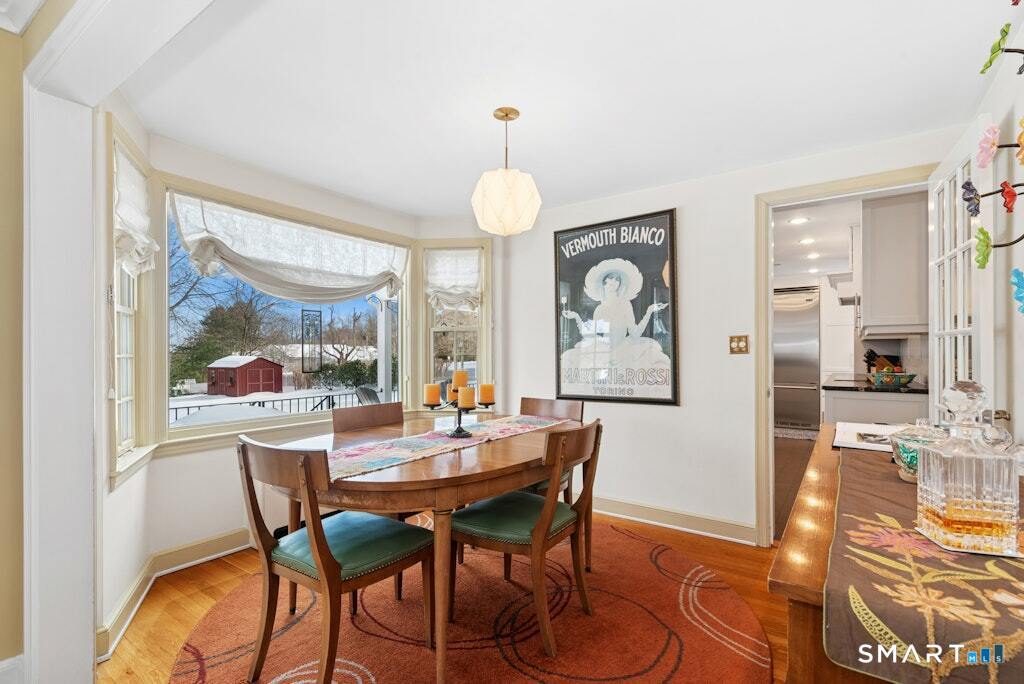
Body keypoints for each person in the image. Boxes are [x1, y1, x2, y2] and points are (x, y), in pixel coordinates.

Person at [560, 258, 670, 373]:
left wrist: (649, 311)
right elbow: (591, 336)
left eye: (617, 279)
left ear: (619, 284)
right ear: (604, 282)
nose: (614, 281)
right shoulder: (599, 309)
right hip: (603, 353)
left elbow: (635, 333)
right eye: (611, 278)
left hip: (625, 351)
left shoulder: (625, 304)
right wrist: (576, 317)